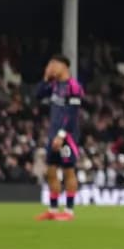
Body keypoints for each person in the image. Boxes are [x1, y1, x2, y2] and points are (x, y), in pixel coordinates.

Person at [34, 55, 84, 221]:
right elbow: (38, 95)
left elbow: (72, 113)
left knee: (68, 171)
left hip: (67, 136)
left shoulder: (73, 86)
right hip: (52, 134)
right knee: (51, 171)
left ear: (64, 66)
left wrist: (62, 135)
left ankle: (69, 212)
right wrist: (45, 78)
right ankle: (53, 210)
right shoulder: (55, 85)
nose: (51, 67)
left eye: (53, 64)